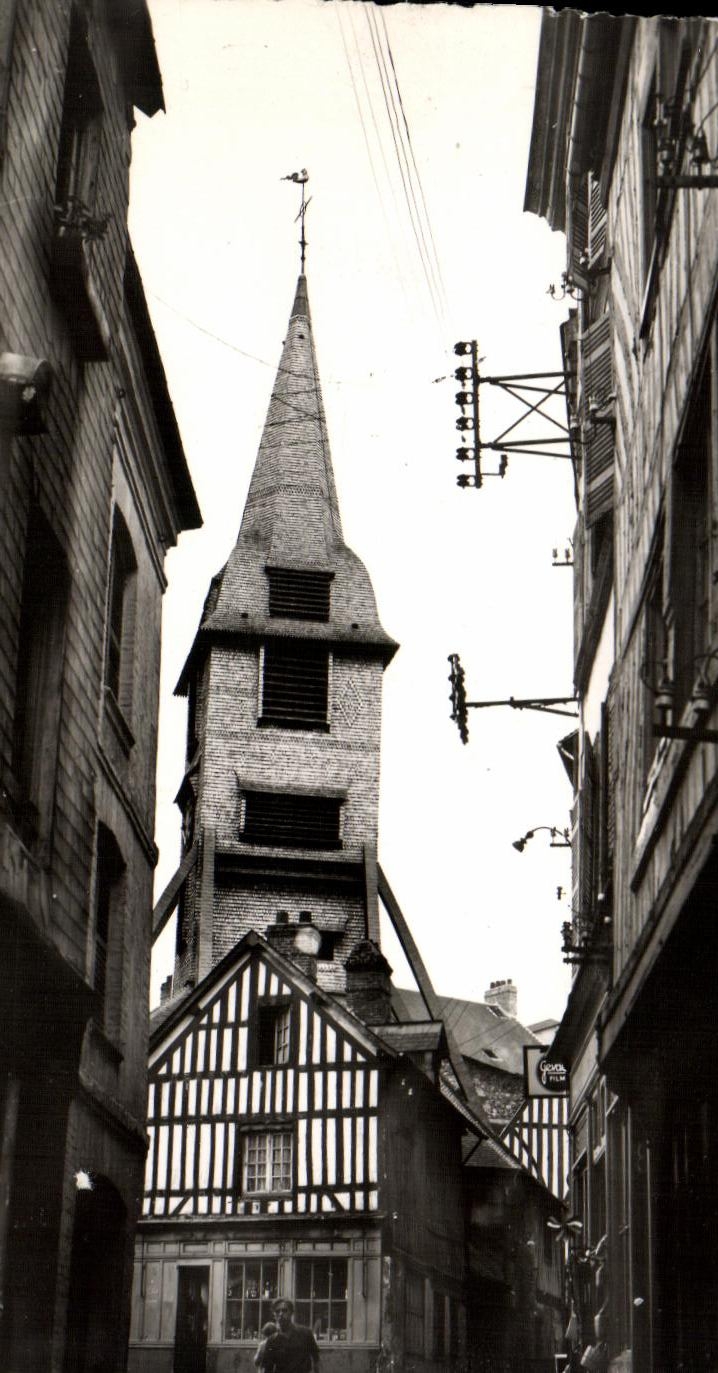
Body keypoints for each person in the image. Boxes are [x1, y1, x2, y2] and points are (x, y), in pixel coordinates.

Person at [259, 1298, 320, 1373]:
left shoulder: (305, 1334)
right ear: (274, 1315)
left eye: (284, 1310)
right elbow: (267, 1368)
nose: (281, 1314)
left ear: (291, 1312)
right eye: (277, 1311)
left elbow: (316, 1360)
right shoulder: (272, 1341)